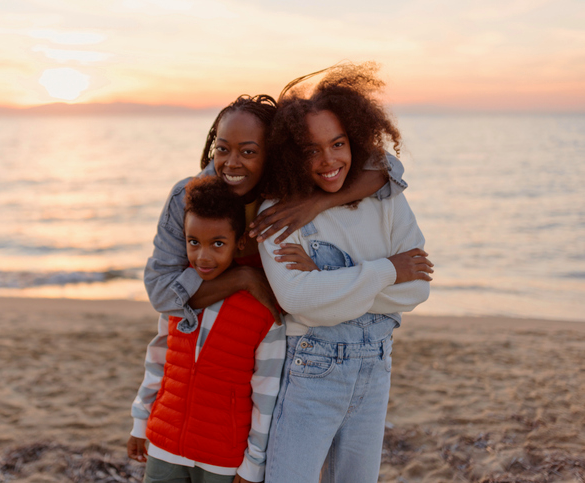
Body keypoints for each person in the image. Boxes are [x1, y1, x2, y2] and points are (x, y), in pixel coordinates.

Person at [257, 62, 433, 483]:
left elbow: (418, 290)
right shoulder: (278, 214)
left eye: (338, 143)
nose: (328, 160)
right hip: (312, 370)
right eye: (311, 150)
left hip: (376, 366)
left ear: (354, 138)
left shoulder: (385, 199)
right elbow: (298, 299)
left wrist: (328, 277)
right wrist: (391, 269)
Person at [143, 94, 408, 336]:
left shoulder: (289, 188)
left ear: (272, 154)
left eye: (248, 152)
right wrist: (244, 278)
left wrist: (317, 203)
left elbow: (389, 169)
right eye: (222, 149)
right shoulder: (188, 198)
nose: (231, 163)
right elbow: (160, 292)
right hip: (199, 336)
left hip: (269, 338)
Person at [128, 176, 286, 483]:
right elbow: (158, 362)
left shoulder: (262, 310)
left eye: (218, 244)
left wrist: (253, 462)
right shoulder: (180, 294)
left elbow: (266, 392)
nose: (203, 256)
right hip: (164, 443)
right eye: (193, 242)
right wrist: (139, 423)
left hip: (222, 456)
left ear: (239, 243)